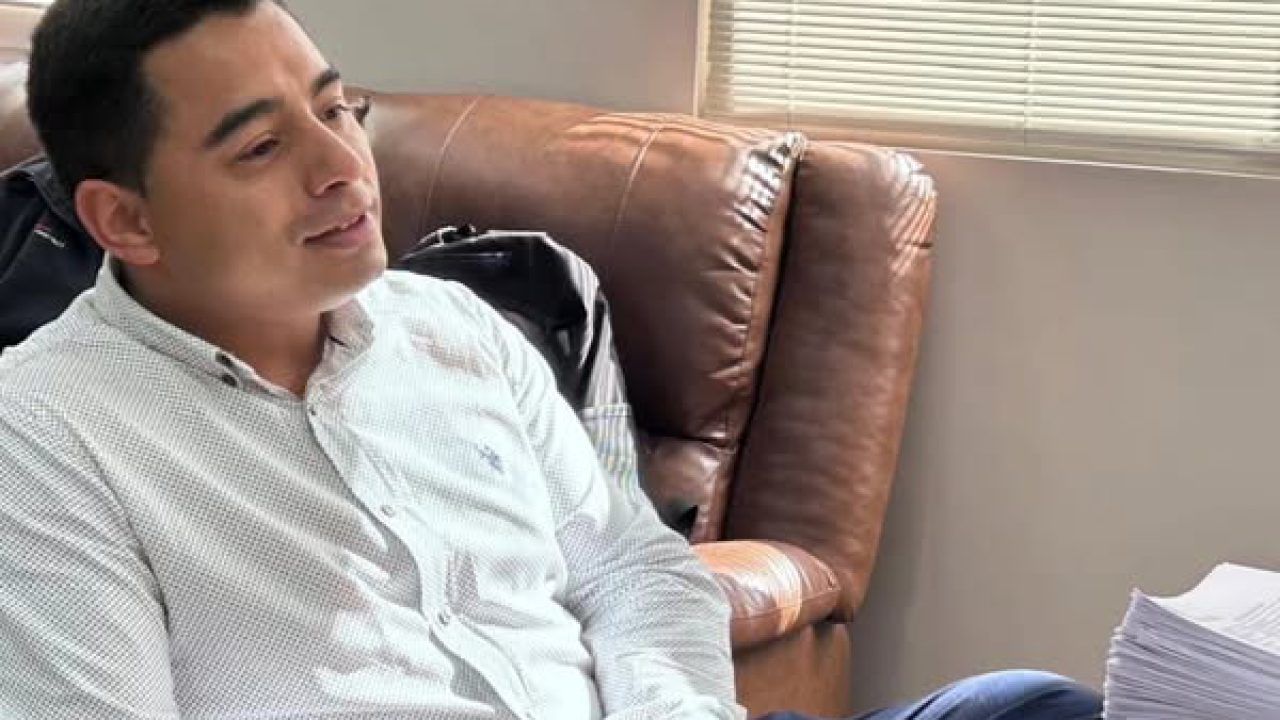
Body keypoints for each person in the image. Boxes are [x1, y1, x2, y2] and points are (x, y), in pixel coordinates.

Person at [0, 1, 1103, 718]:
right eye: (261, 146)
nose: (342, 165)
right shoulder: (47, 438)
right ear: (125, 219)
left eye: (336, 108)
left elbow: (630, 570)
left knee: (1028, 704)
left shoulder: (457, 329)